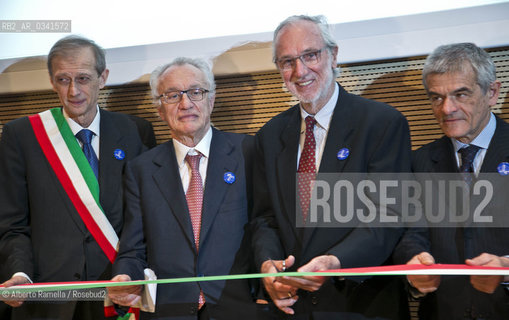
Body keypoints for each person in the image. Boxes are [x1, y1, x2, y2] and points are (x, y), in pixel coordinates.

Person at [250, 15, 412, 319]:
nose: (300, 71)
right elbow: (265, 218)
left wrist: (336, 262)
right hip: (293, 307)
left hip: (362, 305)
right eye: (287, 61)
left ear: (334, 55)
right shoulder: (269, 136)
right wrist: (268, 266)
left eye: (310, 55)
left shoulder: (381, 124)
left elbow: (389, 215)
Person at [0, 35, 150, 319]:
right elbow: (12, 224)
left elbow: (145, 219)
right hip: (47, 299)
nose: (73, 91)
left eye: (83, 78)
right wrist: (19, 273)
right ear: (51, 81)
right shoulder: (21, 136)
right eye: (63, 80)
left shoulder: (135, 132)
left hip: (116, 293)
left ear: (102, 78)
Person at [107, 57, 263, 319]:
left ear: (211, 100)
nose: (185, 103)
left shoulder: (248, 152)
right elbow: (133, 249)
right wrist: (124, 276)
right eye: (172, 95)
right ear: (159, 109)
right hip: (171, 311)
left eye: (196, 92)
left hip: (240, 307)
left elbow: (266, 225)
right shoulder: (141, 170)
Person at [393, 43, 509, 319]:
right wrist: (416, 262)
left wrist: (505, 268)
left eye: (461, 94)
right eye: (436, 98)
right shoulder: (418, 163)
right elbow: (409, 234)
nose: (447, 109)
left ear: (492, 92)